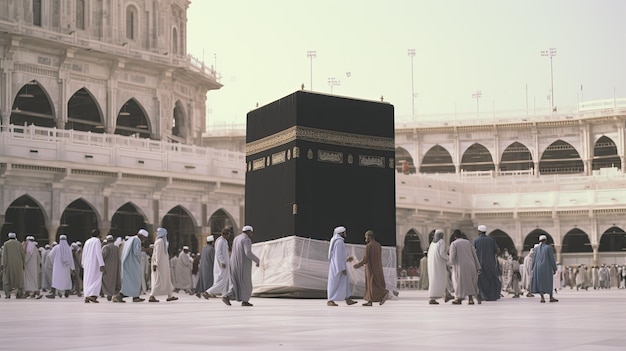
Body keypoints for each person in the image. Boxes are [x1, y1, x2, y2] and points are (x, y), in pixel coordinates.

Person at [222, 225, 260, 307]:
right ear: (249, 232)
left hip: (233, 264)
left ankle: (227, 296)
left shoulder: (236, 238)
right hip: (242, 265)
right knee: (246, 284)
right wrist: (257, 260)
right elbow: (248, 253)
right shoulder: (246, 239)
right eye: (251, 233)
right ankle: (245, 301)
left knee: (236, 283)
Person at [353, 230, 389, 306]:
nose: (365, 238)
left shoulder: (369, 246)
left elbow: (365, 259)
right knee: (374, 284)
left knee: (370, 284)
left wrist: (358, 265)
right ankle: (370, 301)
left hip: (370, 268)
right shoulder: (378, 245)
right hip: (378, 267)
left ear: (369, 236)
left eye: (366, 236)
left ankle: (384, 293)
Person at [114, 229, 149, 302]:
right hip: (133, 263)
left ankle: (135, 296)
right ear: (142, 236)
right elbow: (136, 252)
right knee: (137, 279)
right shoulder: (137, 240)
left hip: (128, 263)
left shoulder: (131, 239)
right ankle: (120, 296)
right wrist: (146, 250)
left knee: (131, 281)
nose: (144, 240)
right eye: (145, 238)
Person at [326, 226, 357, 307]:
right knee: (335, 283)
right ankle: (330, 300)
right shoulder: (339, 242)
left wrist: (346, 259)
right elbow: (337, 256)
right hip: (338, 267)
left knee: (345, 282)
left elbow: (338, 256)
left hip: (338, 265)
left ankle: (347, 298)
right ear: (342, 233)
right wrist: (341, 268)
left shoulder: (336, 241)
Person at [449, 231, 481, 305]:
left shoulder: (454, 243)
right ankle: (470, 299)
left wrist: (451, 264)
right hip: (471, 264)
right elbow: (474, 254)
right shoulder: (468, 243)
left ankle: (458, 299)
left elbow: (452, 257)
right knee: (470, 282)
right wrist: (478, 266)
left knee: (459, 283)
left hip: (460, 266)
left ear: (454, 236)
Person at [149, 227, 178, 302]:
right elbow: (157, 254)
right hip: (159, 265)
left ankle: (169, 295)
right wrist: (155, 264)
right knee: (158, 280)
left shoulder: (163, 242)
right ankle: (152, 296)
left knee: (166, 279)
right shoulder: (159, 241)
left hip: (164, 265)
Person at [473, 225, 501, 302]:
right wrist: (494, 256)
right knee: (492, 279)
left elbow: (473, 251)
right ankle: (493, 296)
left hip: (480, 264)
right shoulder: (491, 240)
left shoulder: (476, 241)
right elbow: (498, 250)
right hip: (491, 264)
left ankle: (483, 296)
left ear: (479, 232)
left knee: (481, 280)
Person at [427, 230, 452, 304]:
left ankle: (447, 294)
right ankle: (433, 298)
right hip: (439, 264)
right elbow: (442, 253)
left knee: (441, 279)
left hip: (432, 264)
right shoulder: (441, 242)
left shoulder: (432, 243)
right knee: (441, 279)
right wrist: (450, 258)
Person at [531, 235, 558, 303]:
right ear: (545, 240)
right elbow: (552, 258)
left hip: (537, 268)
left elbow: (534, 259)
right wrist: (554, 268)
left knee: (540, 282)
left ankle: (542, 298)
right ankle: (551, 297)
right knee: (548, 281)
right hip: (546, 267)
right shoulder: (548, 247)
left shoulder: (536, 249)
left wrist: (533, 268)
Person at [206, 228, 232, 297]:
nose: (229, 236)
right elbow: (218, 252)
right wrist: (222, 262)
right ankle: (208, 292)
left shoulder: (223, 241)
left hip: (223, 263)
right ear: (226, 234)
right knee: (222, 280)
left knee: (222, 280)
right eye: (229, 234)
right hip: (222, 264)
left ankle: (224, 294)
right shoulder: (220, 241)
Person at [82, 229, 105, 303]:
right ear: (98, 235)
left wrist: (83, 263)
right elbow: (98, 252)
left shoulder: (87, 241)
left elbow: (84, 253)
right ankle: (93, 296)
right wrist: (101, 264)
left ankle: (87, 295)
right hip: (95, 264)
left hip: (87, 264)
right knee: (96, 279)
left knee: (88, 280)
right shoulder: (97, 241)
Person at [2, 232, 25, 298]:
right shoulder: (19, 244)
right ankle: (19, 294)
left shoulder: (6, 244)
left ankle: (7, 294)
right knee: (19, 279)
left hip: (8, 264)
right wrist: (23, 264)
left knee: (7, 279)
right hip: (18, 264)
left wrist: (3, 264)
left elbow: (4, 255)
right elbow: (22, 254)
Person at [101, 235, 121, 301]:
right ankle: (113, 294)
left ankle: (109, 294)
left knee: (107, 281)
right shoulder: (116, 247)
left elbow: (102, 257)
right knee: (114, 281)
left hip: (107, 267)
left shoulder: (106, 247)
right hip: (115, 268)